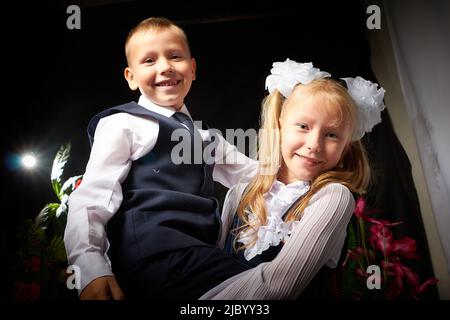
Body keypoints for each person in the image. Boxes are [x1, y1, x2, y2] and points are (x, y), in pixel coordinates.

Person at [64, 17, 257, 300]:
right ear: (130, 77)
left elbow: (257, 175)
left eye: (175, 56)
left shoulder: (206, 138)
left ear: (192, 69)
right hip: (152, 256)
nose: (165, 66)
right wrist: (91, 268)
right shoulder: (124, 124)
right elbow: (91, 198)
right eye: (149, 60)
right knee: (260, 290)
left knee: (265, 280)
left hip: (198, 254)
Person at [199, 59, 386, 299]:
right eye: (303, 126)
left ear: (346, 146)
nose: (314, 145)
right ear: (279, 125)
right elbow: (216, 267)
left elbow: (279, 286)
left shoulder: (333, 197)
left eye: (331, 134)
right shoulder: (241, 192)